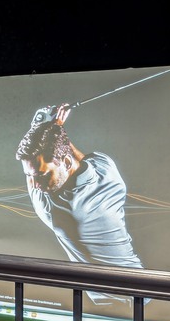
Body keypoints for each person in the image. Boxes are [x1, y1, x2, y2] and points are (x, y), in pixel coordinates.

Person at [14, 103, 142, 303]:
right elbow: (76, 158)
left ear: (65, 162)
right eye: (31, 176)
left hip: (110, 304)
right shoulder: (107, 170)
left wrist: (41, 125)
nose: (36, 184)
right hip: (142, 288)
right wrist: (54, 127)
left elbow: (39, 170)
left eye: (41, 175)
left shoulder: (55, 211)